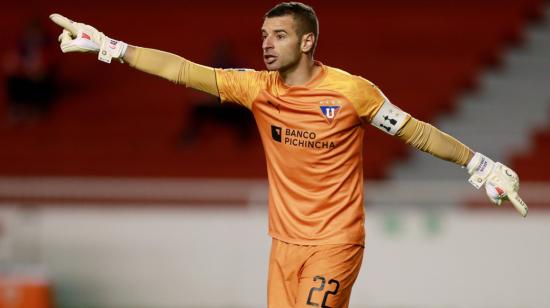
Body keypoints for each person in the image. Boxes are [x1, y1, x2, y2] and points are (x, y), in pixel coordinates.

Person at [49, 3, 528, 307]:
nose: (266, 43)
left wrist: (478, 164)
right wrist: (110, 47)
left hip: (335, 244)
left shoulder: (351, 93)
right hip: (283, 245)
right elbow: (182, 70)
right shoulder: (256, 88)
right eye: (263, 35)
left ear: (307, 41)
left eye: (278, 35)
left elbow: (415, 133)